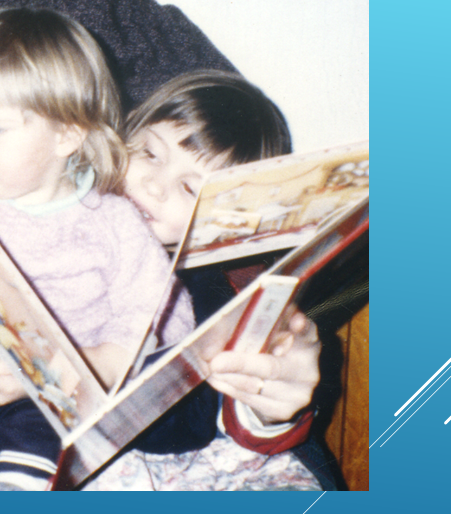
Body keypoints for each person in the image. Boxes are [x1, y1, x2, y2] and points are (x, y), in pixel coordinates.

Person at [0, 8, 196, 490]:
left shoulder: (113, 222)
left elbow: (158, 316)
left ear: (67, 134)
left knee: (43, 431)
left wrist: (78, 367)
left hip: (54, 394)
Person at [106, 69, 334, 490]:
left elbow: (190, 424)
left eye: (190, 189)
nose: (154, 185)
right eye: (150, 154)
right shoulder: (66, 210)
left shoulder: (208, 286)